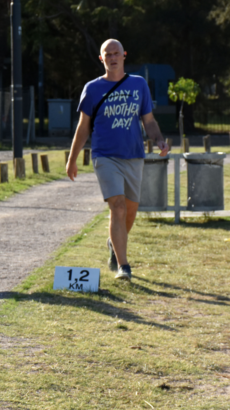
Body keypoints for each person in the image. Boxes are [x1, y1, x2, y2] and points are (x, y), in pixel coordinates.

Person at [66, 39, 169, 281]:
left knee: (130, 211)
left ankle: (114, 244)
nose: (112, 57)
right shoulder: (92, 89)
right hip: (105, 156)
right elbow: (83, 127)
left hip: (133, 155)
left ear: (124, 55)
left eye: (116, 53)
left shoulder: (138, 84)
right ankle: (124, 266)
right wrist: (72, 158)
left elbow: (149, 120)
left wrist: (159, 140)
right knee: (118, 207)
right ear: (101, 59)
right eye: (107, 54)